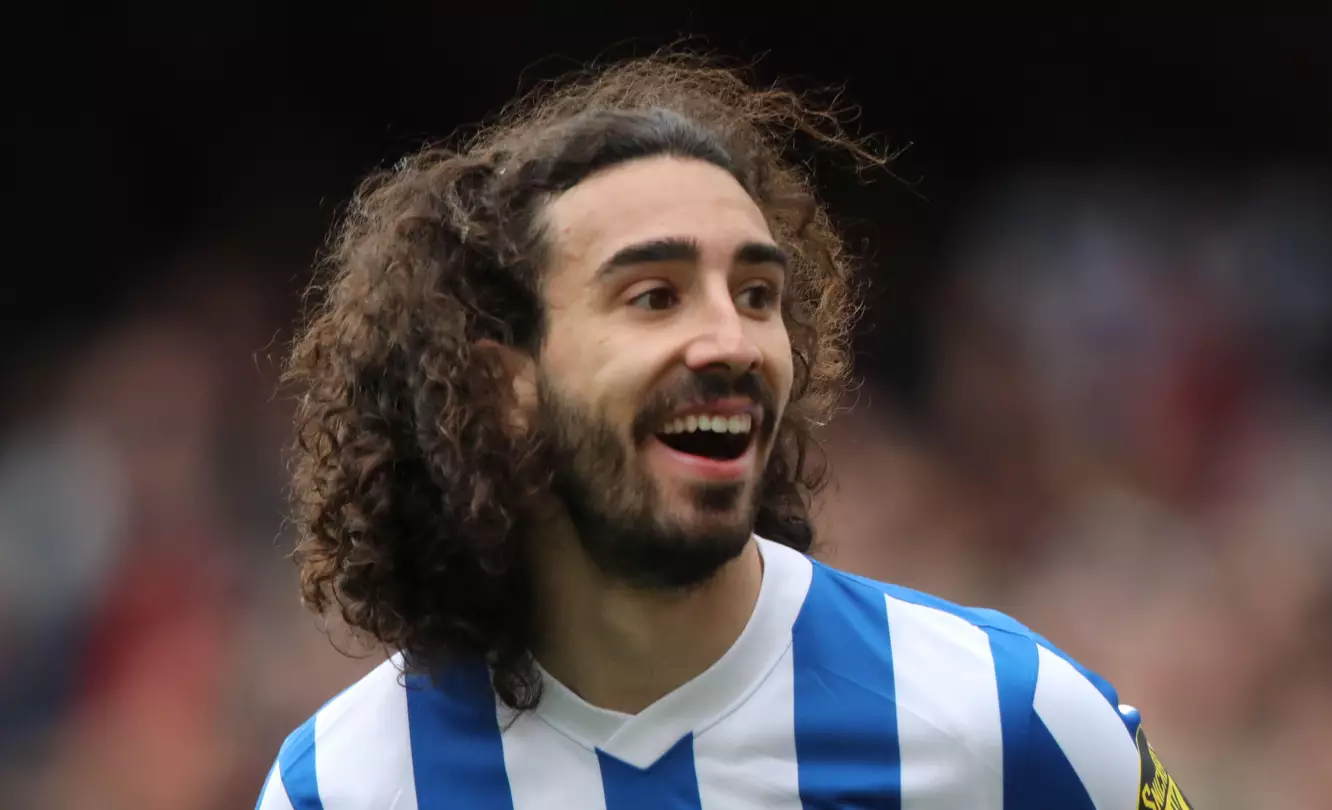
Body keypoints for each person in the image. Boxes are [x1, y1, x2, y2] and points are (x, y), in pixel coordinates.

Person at [257, 53, 1194, 810]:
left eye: (757, 295)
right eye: (654, 296)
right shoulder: (346, 787)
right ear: (507, 387)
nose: (734, 341)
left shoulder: (1009, 718)